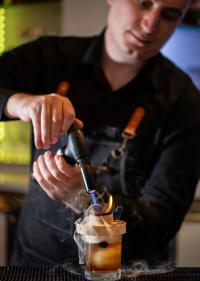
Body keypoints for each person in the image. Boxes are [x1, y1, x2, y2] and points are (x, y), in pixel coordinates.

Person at [0, 0, 200, 266]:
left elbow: (161, 223)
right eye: (143, 3)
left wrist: (85, 200)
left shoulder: (184, 102)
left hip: (126, 279)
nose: (151, 24)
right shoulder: (51, 57)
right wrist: (19, 102)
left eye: (169, 14)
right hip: (36, 270)